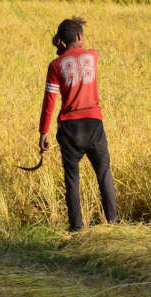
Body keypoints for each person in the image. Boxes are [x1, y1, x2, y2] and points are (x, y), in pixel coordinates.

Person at [38, 17, 118, 231]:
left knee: (72, 180)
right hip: (93, 124)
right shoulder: (92, 56)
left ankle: (76, 230)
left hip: (69, 128)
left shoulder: (55, 65)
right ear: (80, 37)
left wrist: (43, 132)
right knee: (104, 175)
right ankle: (114, 224)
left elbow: (50, 100)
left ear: (62, 39)